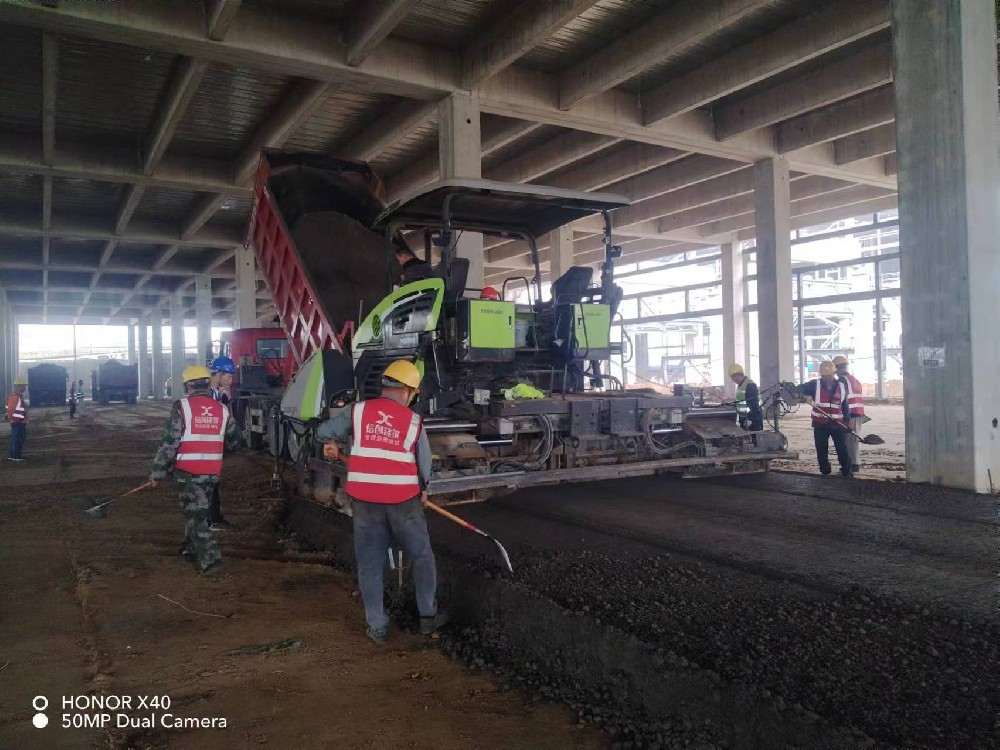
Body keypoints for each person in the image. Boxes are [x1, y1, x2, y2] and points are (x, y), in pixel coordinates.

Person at [316, 359, 447, 644]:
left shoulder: (358, 411)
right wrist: (423, 489)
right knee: (422, 556)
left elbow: (323, 432)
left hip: (364, 501)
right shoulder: (414, 422)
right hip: (403, 501)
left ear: (385, 386)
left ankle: (377, 626)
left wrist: (333, 444)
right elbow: (423, 466)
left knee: (370, 563)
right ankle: (427, 616)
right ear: (408, 391)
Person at [150, 365, 240, 576]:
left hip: (188, 471)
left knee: (196, 516)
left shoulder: (182, 407)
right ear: (208, 384)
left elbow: (169, 442)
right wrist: (217, 451)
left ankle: (210, 560)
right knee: (199, 509)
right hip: (212, 471)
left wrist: (158, 471)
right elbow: (235, 441)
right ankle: (189, 549)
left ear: (188, 386)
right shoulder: (222, 409)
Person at [797, 361, 852, 477]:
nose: (827, 378)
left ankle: (847, 471)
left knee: (842, 449)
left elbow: (845, 406)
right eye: (824, 376)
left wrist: (848, 421)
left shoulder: (842, 387)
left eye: (829, 375)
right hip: (820, 424)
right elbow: (798, 389)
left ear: (834, 373)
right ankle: (825, 471)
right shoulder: (814, 385)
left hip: (837, 424)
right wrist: (803, 395)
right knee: (821, 449)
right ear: (821, 375)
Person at [207, 356, 237, 530]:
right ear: (219, 374)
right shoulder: (208, 394)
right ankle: (211, 520)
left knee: (213, 481)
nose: (231, 380)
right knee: (210, 483)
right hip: (206, 445)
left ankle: (214, 518)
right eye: (229, 376)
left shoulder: (217, 393)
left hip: (213, 444)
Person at [834, 355, 864, 473]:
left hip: (850, 414)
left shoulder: (842, 380)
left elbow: (840, 397)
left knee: (849, 442)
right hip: (858, 413)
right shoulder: (854, 379)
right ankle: (854, 463)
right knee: (853, 441)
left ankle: (853, 465)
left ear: (838, 368)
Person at [727, 364, 763, 431]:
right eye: (732, 378)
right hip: (744, 417)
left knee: (754, 439)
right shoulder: (741, 385)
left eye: (733, 377)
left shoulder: (750, 385)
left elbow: (754, 405)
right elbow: (742, 401)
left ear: (739, 375)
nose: (733, 380)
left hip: (753, 419)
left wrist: (750, 419)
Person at [6, 377, 27, 462]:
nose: (25, 388)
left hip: (17, 421)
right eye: (24, 386)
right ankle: (16, 456)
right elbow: (10, 409)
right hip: (18, 422)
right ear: (19, 386)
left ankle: (13, 455)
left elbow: (9, 409)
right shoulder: (16, 397)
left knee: (14, 439)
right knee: (18, 439)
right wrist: (17, 419)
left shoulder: (17, 396)